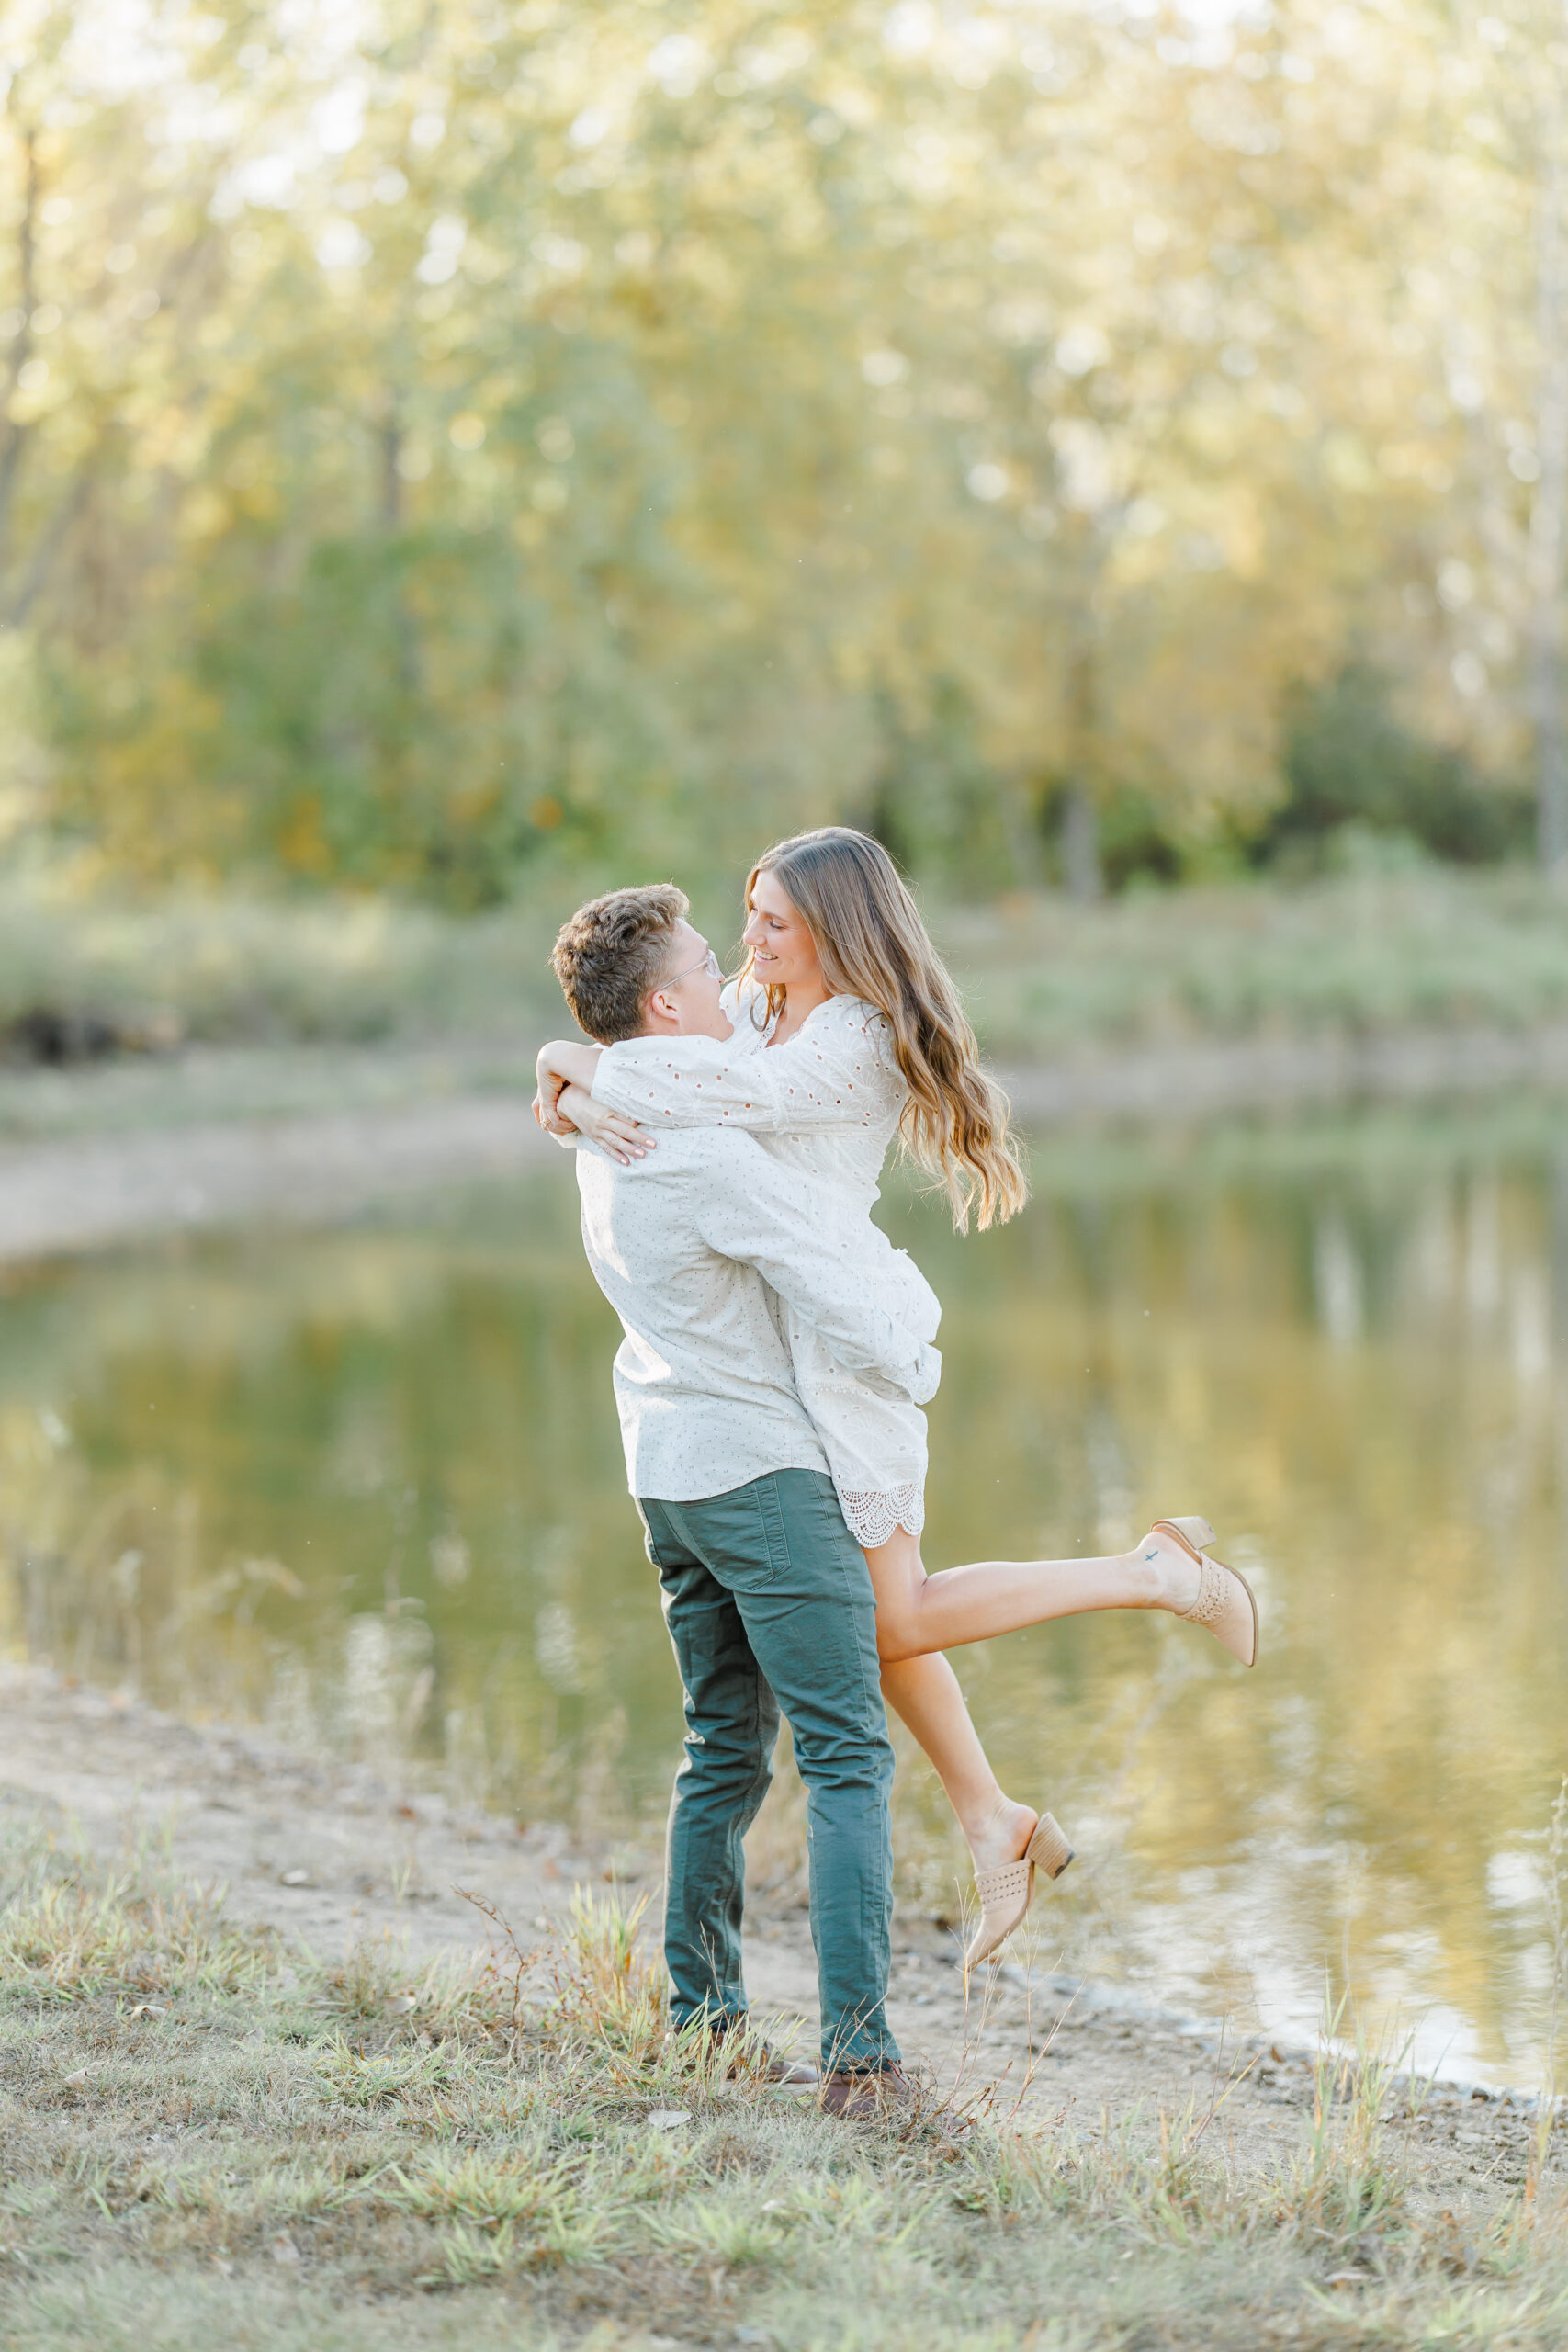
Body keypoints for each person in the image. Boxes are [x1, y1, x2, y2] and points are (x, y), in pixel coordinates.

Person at [537, 830, 1258, 1976]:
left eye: (774, 920)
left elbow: (710, 1086)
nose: (750, 939)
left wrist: (569, 1066)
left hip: (844, 1352)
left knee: (894, 1618)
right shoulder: (758, 999)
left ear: (836, 930)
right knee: (878, 1618)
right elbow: (657, 1032)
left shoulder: (849, 1043)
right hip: (778, 1368)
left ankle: (1155, 1575)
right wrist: (577, 1074)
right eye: (749, 912)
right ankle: (992, 1822)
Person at [545, 880, 946, 2119]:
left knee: (721, 1751)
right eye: (711, 968)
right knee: (843, 1754)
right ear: (665, 1005)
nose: (734, 984)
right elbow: (826, 1276)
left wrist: (564, 1072)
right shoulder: (701, 1151)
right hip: (759, 1476)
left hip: (664, 1472)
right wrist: (915, 1346)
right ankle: (859, 2056)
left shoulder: (605, 1137)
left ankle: (704, 2021)